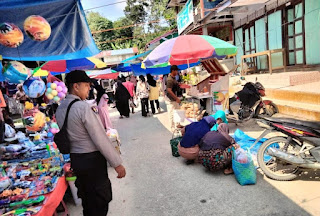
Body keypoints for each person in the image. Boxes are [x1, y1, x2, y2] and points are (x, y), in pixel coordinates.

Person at [55, 70, 126, 216]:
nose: (89, 89)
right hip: (92, 161)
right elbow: (99, 138)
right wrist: (117, 163)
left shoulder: (60, 108)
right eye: (87, 86)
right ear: (76, 86)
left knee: (87, 200)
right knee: (100, 202)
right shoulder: (82, 107)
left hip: (77, 160)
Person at [165, 65, 181, 131]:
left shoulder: (173, 78)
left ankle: (177, 125)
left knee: (177, 112)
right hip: (170, 99)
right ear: (173, 70)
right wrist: (176, 98)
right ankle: (172, 127)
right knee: (171, 113)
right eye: (176, 70)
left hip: (174, 98)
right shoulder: (169, 79)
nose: (177, 72)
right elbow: (169, 90)